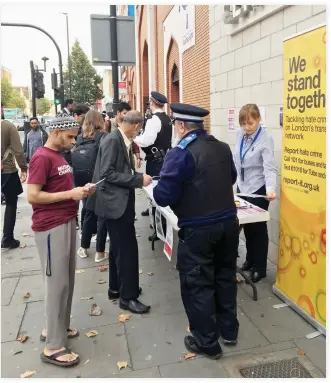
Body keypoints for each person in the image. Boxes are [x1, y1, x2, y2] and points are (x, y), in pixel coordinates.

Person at [153, 103, 239, 360]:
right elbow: (232, 178)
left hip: (199, 229)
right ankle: (229, 330)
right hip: (228, 224)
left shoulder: (180, 153)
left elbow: (162, 195)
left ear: (180, 126)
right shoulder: (222, 147)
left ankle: (207, 342)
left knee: (197, 284)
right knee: (225, 277)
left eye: (176, 126)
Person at [27, 115, 96, 367]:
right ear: (55, 133)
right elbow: (32, 196)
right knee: (57, 284)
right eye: (70, 136)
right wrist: (71, 194)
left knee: (65, 282)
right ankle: (53, 346)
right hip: (51, 227)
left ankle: (57, 327)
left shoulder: (58, 156)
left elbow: (57, 189)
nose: (73, 141)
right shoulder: (42, 157)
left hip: (65, 222)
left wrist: (81, 190)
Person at [88, 110, 152, 314]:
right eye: (139, 129)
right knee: (127, 251)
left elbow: (117, 171)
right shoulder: (113, 140)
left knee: (118, 248)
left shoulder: (117, 138)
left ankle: (116, 288)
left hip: (117, 203)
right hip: (115, 205)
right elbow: (107, 175)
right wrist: (138, 180)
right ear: (135, 126)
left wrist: (137, 176)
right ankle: (128, 297)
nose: (138, 132)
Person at [234, 104, 277, 283]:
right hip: (242, 188)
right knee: (247, 227)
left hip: (259, 189)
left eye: (250, 123)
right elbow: (236, 158)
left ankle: (260, 268)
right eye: (243, 123)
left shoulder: (265, 139)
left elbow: (269, 167)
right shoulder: (239, 135)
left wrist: (270, 189)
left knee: (258, 230)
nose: (247, 127)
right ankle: (250, 260)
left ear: (258, 119)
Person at [72, 110, 108, 263]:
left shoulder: (79, 138)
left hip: (82, 180)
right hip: (99, 180)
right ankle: (100, 252)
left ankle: (84, 248)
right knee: (102, 216)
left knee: (88, 213)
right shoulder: (104, 137)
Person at [134, 91, 172, 217]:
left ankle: (156, 215)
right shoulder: (168, 118)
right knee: (161, 185)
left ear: (151, 102)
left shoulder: (153, 120)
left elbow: (146, 141)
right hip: (165, 157)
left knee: (153, 187)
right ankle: (153, 210)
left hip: (155, 159)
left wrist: (133, 138)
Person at [1, 104, 28, 249]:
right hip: (7, 170)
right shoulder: (8, 126)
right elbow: (18, 150)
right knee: (11, 203)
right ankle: (7, 237)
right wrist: (23, 168)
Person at [110, 102, 142, 168]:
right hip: (115, 157)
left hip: (128, 156)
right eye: (125, 113)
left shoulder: (129, 124)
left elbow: (133, 140)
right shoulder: (109, 123)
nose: (127, 116)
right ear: (118, 113)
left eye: (128, 113)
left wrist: (138, 157)